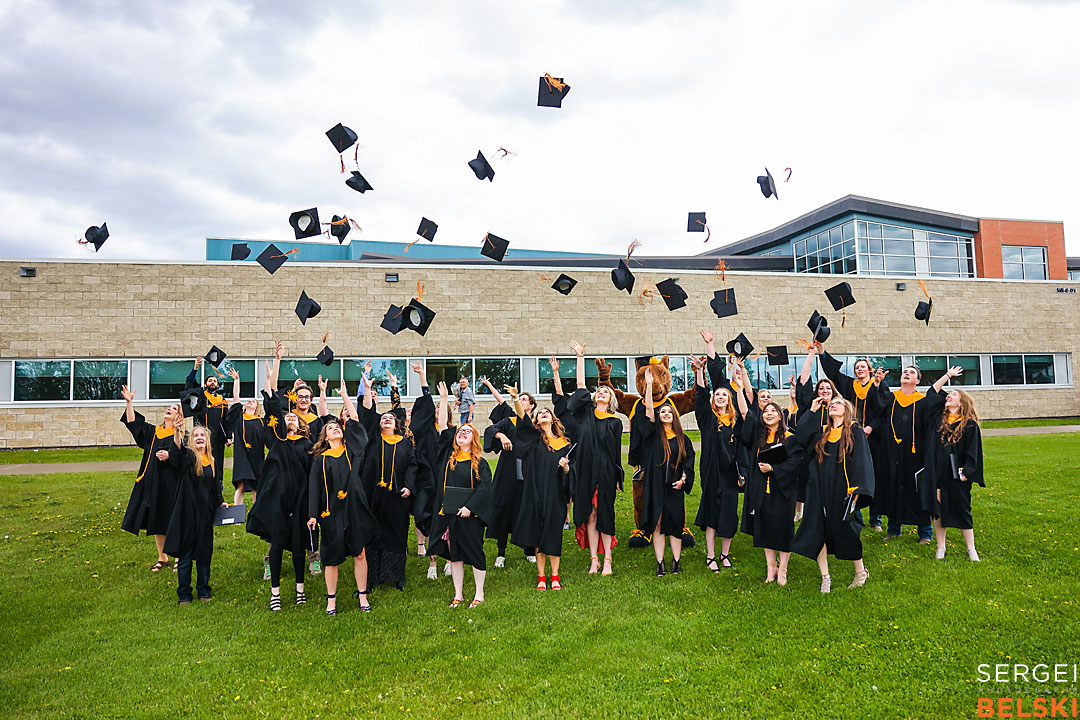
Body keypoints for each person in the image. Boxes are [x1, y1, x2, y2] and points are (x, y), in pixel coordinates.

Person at [246, 345, 314, 611]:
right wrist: (277, 361)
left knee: (298, 546)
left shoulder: (307, 445)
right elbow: (273, 397)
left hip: (298, 500)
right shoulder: (276, 439)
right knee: (276, 544)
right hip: (275, 499)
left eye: (294, 419)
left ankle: (300, 589)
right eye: (287, 417)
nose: (291, 420)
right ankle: (275, 592)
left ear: (301, 424)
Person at [307, 384, 378, 615]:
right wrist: (312, 515)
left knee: (360, 552)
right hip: (331, 512)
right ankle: (331, 600)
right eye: (331, 428)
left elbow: (356, 420)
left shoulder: (352, 451)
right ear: (325, 436)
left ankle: (363, 597)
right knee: (331, 558)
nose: (336, 429)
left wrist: (345, 396)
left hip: (354, 508)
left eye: (338, 427)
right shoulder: (320, 459)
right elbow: (314, 488)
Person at [791, 397, 875, 593]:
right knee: (816, 528)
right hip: (818, 488)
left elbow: (862, 460)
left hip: (843, 488)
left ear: (847, 410)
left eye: (838, 403)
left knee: (848, 529)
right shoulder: (822, 432)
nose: (833, 405)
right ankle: (825, 577)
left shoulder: (854, 430)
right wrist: (812, 410)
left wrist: (857, 489)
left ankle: (860, 572)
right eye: (831, 404)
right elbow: (800, 437)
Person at [735, 362, 805, 585]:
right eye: (766, 412)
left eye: (773, 411)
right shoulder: (759, 436)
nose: (769, 414)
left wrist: (774, 468)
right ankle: (770, 569)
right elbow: (746, 410)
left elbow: (796, 462)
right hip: (761, 490)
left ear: (780, 415)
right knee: (764, 528)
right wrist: (739, 384)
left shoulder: (790, 438)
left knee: (783, 529)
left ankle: (783, 569)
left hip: (782, 491)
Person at [427, 382, 494, 608]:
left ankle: (480, 594)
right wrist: (445, 399)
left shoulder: (480, 463)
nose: (461, 433)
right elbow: (443, 428)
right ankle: (458, 594)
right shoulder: (448, 459)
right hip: (450, 515)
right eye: (460, 432)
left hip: (471, 516)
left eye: (467, 432)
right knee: (455, 555)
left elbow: (485, 488)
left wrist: (470, 508)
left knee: (474, 553)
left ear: (474, 439)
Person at [562, 341, 623, 575]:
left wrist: (618, 477)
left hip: (606, 473)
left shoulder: (615, 423)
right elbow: (580, 386)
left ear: (611, 401)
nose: (601, 392)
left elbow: (616, 454)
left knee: (605, 513)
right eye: (599, 391)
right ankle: (593, 559)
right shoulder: (586, 413)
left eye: (606, 391)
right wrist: (580, 358)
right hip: (585, 471)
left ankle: (607, 558)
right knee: (589, 514)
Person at [878, 364, 955, 544]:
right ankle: (893, 529)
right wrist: (878, 382)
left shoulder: (921, 401)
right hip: (893, 453)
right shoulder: (891, 398)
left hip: (916, 454)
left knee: (918, 489)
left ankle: (925, 533)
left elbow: (934, 395)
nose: (907, 373)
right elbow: (876, 404)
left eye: (912, 372)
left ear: (917, 381)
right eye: (905, 371)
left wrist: (947, 375)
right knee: (894, 488)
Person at [359, 373, 418, 591]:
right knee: (373, 534)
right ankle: (371, 577)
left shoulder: (404, 443)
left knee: (396, 533)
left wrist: (409, 487)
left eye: (390, 418)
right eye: (383, 417)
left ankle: (395, 576)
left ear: (396, 424)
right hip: (374, 493)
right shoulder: (372, 439)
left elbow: (412, 466)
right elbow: (366, 415)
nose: (386, 419)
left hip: (397, 494)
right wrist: (367, 389)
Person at [634, 368, 696, 577]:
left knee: (675, 523)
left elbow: (689, 460)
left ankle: (676, 562)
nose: (666, 414)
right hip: (655, 484)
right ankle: (660, 563)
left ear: (674, 416)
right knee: (658, 523)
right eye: (663, 412)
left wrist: (684, 479)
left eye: (669, 412)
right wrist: (650, 388)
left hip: (675, 484)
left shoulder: (682, 438)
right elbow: (648, 412)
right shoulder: (652, 435)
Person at [119, 385, 185, 571]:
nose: (169, 409)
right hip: (153, 482)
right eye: (169, 407)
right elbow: (134, 425)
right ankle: (162, 557)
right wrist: (129, 402)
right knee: (156, 519)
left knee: (172, 519)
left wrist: (170, 456)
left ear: (178, 417)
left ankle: (179, 556)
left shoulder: (180, 434)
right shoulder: (154, 432)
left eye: (173, 409)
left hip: (172, 483)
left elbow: (185, 456)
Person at [512, 404, 573, 590]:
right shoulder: (534, 440)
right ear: (536, 421)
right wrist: (515, 399)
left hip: (555, 494)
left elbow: (573, 471)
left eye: (547, 412)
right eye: (540, 414)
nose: (543, 414)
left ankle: (555, 576)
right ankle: (541, 577)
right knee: (539, 535)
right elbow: (522, 422)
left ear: (553, 418)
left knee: (554, 533)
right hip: (536, 492)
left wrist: (566, 467)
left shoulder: (565, 444)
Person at [164, 425, 228, 604]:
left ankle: (204, 591)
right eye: (196, 435)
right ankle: (184, 594)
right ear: (191, 440)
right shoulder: (190, 458)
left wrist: (221, 501)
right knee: (185, 557)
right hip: (187, 515)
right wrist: (177, 433)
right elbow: (176, 455)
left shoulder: (212, 461)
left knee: (204, 556)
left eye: (203, 435)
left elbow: (216, 487)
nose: (200, 437)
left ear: (207, 440)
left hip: (205, 517)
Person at [689, 354, 741, 572]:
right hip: (712, 472)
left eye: (724, 395)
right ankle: (711, 556)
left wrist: (742, 472)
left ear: (729, 400)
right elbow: (701, 397)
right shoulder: (708, 420)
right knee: (712, 512)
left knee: (729, 513)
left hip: (730, 473)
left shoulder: (736, 422)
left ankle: (725, 554)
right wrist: (700, 372)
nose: (720, 397)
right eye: (717, 394)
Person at [922, 383, 984, 561]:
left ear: (962, 402)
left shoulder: (969, 425)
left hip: (957, 472)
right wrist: (948, 376)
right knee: (938, 508)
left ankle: (971, 549)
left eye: (953, 394)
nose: (948, 396)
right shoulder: (937, 420)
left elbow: (974, 451)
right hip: (937, 470)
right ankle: (940, 547)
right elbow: (932, 394)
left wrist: (968, 472)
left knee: (962, 508)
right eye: (948, 394)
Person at [480, 376, 536, 568]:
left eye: (523, 399)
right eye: (518, 399)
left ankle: (529, 549)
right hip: (507, 471)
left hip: (529, 470)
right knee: (504, 506)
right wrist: (500, 434)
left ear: (531, 405)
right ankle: (501, 552)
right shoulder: (509, 420)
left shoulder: (534, 424)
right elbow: (491, 429)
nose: (520, 401)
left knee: (526, 507)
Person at [184, 356, 231, 476]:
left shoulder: (222, 400)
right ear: (205, 384)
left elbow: (226, 419)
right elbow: (190, 384)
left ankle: (218, 488)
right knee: (200, 459)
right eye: (210, 380)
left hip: (218, 437)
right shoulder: (200, 396)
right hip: (202, 434)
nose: (212, 382)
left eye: (215, 381)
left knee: (218, 462)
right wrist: (195, 368)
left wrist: (228, 436)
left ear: (218, 385)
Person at [225, 367, 264, 507]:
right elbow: (236, 398)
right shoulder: (238, 417)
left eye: (253, 402)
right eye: (249, 401)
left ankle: (257, 513)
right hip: (242, 454)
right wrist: (236, 380)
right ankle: (237, 516)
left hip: (257, 455)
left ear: (257, 408)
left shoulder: (261, 421)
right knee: (240, 486)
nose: (250, 402)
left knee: (257, 487)